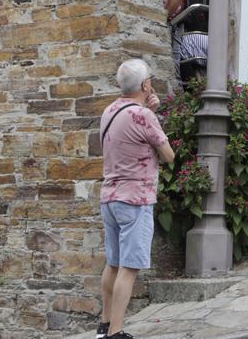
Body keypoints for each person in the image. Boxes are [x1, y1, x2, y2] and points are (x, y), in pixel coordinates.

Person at [97, 59, 175, 339]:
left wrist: (148, 110)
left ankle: (104, 325)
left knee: (113, 263)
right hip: (135, 199)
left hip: (109, 197)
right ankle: (117, 332)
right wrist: (151, 114)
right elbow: (168, 155)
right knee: (129, 268)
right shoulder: (144, 117)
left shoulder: (109, 111)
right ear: (145, 84)